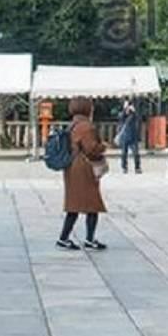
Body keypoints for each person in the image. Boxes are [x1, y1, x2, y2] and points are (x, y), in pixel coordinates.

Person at [57, 96, 108, 250]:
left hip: (71, 167)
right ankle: (89, 239)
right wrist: (103, 146)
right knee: (92, 204)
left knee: (74, 204)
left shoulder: (73, 124)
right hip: (84, 169)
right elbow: (91, 149)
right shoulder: (86, 126)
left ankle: (64, 238)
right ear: (87, 108)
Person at [117, 99, 142, 174]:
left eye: (129, 105)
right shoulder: (122, 114)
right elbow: (120, 118)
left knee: (136, 153)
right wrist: (125, 110)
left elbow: (139, 118)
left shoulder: (133, 114)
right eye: (126, 105)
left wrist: (134, 111)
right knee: (124, 153)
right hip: (125, 136)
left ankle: (137, 167)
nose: (128, 107)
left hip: (133, 136)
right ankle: (124, 167)